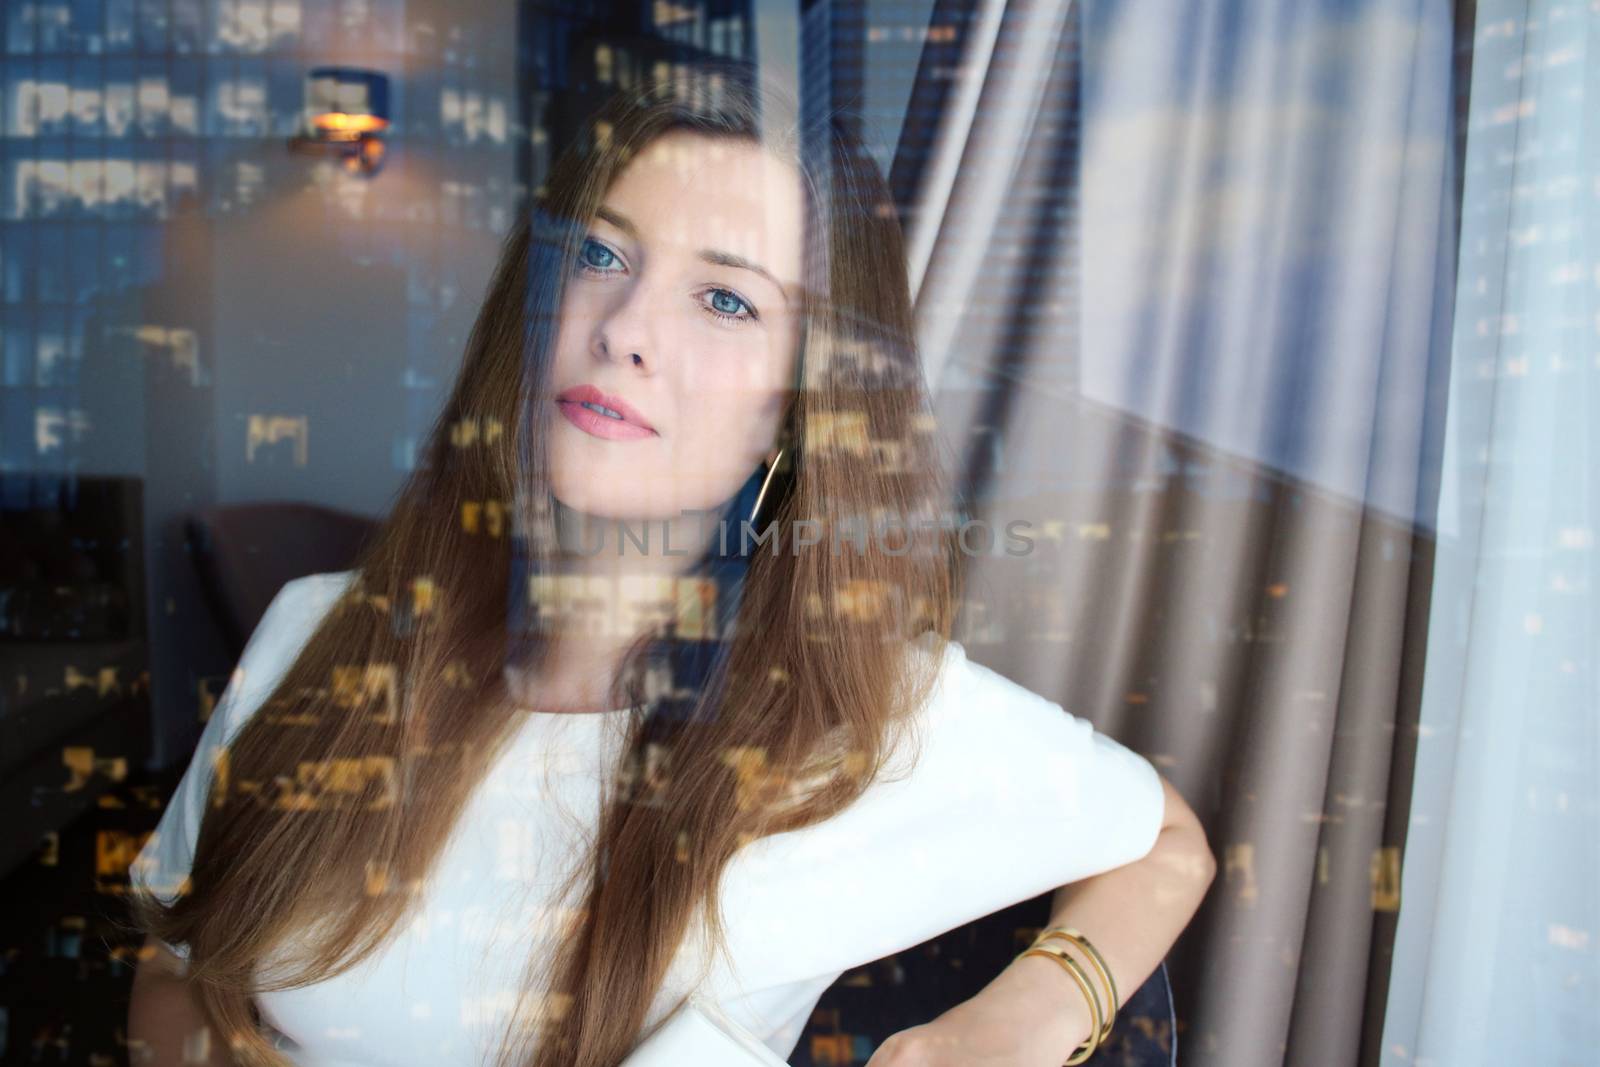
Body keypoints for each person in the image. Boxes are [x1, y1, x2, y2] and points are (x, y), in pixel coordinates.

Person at [126, 66, 1215, 1067]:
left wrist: (1010, 1023)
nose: (626, 327)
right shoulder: (316, 631)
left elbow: (1166, 843)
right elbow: (174, 952)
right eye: (598, 254)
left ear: (793, 411)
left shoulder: (860, 719)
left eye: (725, 298)